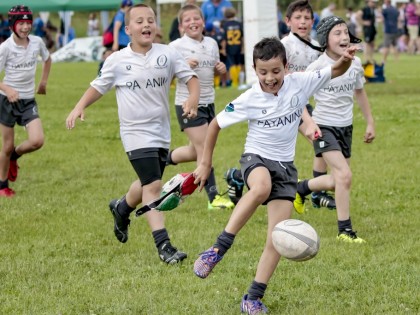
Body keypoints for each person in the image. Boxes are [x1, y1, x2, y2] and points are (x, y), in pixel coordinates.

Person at [192, 36, 358, 314]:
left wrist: (345, 61)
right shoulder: (249, 98)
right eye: (263, 72)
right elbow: (215, 124)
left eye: (276, 71)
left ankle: (253, 297)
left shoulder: (301, 82)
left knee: (277, 238)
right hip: (255, 157)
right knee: (260, 188)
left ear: (286, 66)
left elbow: (335, 70)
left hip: (286, 167)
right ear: (255, 70)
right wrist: (205, 163)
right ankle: (218, 249)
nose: (270, 78)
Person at [65, 4, 200, 264]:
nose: (146, 25)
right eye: (139, 21)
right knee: (153, 186)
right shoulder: (117, 60)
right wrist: (79, 106)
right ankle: (164, 246)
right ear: (128, 29)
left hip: (161, 132)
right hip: (134, 133)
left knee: (147, 182)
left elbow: (190, 78)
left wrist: (193, 98)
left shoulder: (167, 54)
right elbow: (98, 86)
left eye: (150, 20)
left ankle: (122, 208)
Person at [224, 0, 336, 211]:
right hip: (288, 104)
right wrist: (309, 120)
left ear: (313, 21)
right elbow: (289, 88)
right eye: (298, 18)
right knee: (321, 143)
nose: (302, 22)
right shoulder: (285, 46)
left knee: (320, 144)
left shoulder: (314, 47)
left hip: (300, 103)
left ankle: (238, 176)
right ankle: (313, 191)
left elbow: (317, 78)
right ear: (288, 21)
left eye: (306, 18)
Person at [293, 16, 375, 244]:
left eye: (345, 32)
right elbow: (298, 98)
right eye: (337, 33)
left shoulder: (355, 63)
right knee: (344, 176)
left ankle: (301, 188)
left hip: (345, 127)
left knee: (340, 180)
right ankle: (345, 231)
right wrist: (309, 123)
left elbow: (360, 92)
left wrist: (370, 122)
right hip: (323, 127)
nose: (344, 37)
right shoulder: (317, 67)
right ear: (325, 40)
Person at [167, 4, 233, 210]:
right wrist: (183, 65)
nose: (193, 22)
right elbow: (167, 75)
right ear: (181, 27)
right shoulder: (175, 47)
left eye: (196, 18)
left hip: (209, 102)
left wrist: (221, 70)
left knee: (195, 151)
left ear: (203, 22)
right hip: (187, 103)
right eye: (187, 20)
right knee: (205, 148)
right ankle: (213, 198)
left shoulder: (212, 43)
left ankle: (164, 158)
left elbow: (211, 71)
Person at [0, 5, 51, 198]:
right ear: (13, 24)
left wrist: (43, 82)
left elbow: (48, 59)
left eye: (28, 23)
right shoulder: (5, 47)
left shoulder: (37, 42)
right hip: (6, 101)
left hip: (28, 100)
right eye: (20, 23)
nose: (25, 27)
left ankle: (14, 156)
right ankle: (2, 186)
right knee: (6, 145)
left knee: (37, 141)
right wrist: (7, 88)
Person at [220, 7, 245, 89]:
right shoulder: (239, 24)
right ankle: (239, 81)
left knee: (232, 65)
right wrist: (243, 47)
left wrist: (223, 49)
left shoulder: (225, 25)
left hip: (230, 47)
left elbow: (224, 39)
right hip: (238, 46)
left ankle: (234, 82)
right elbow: (242, 37)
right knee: (239, 64)